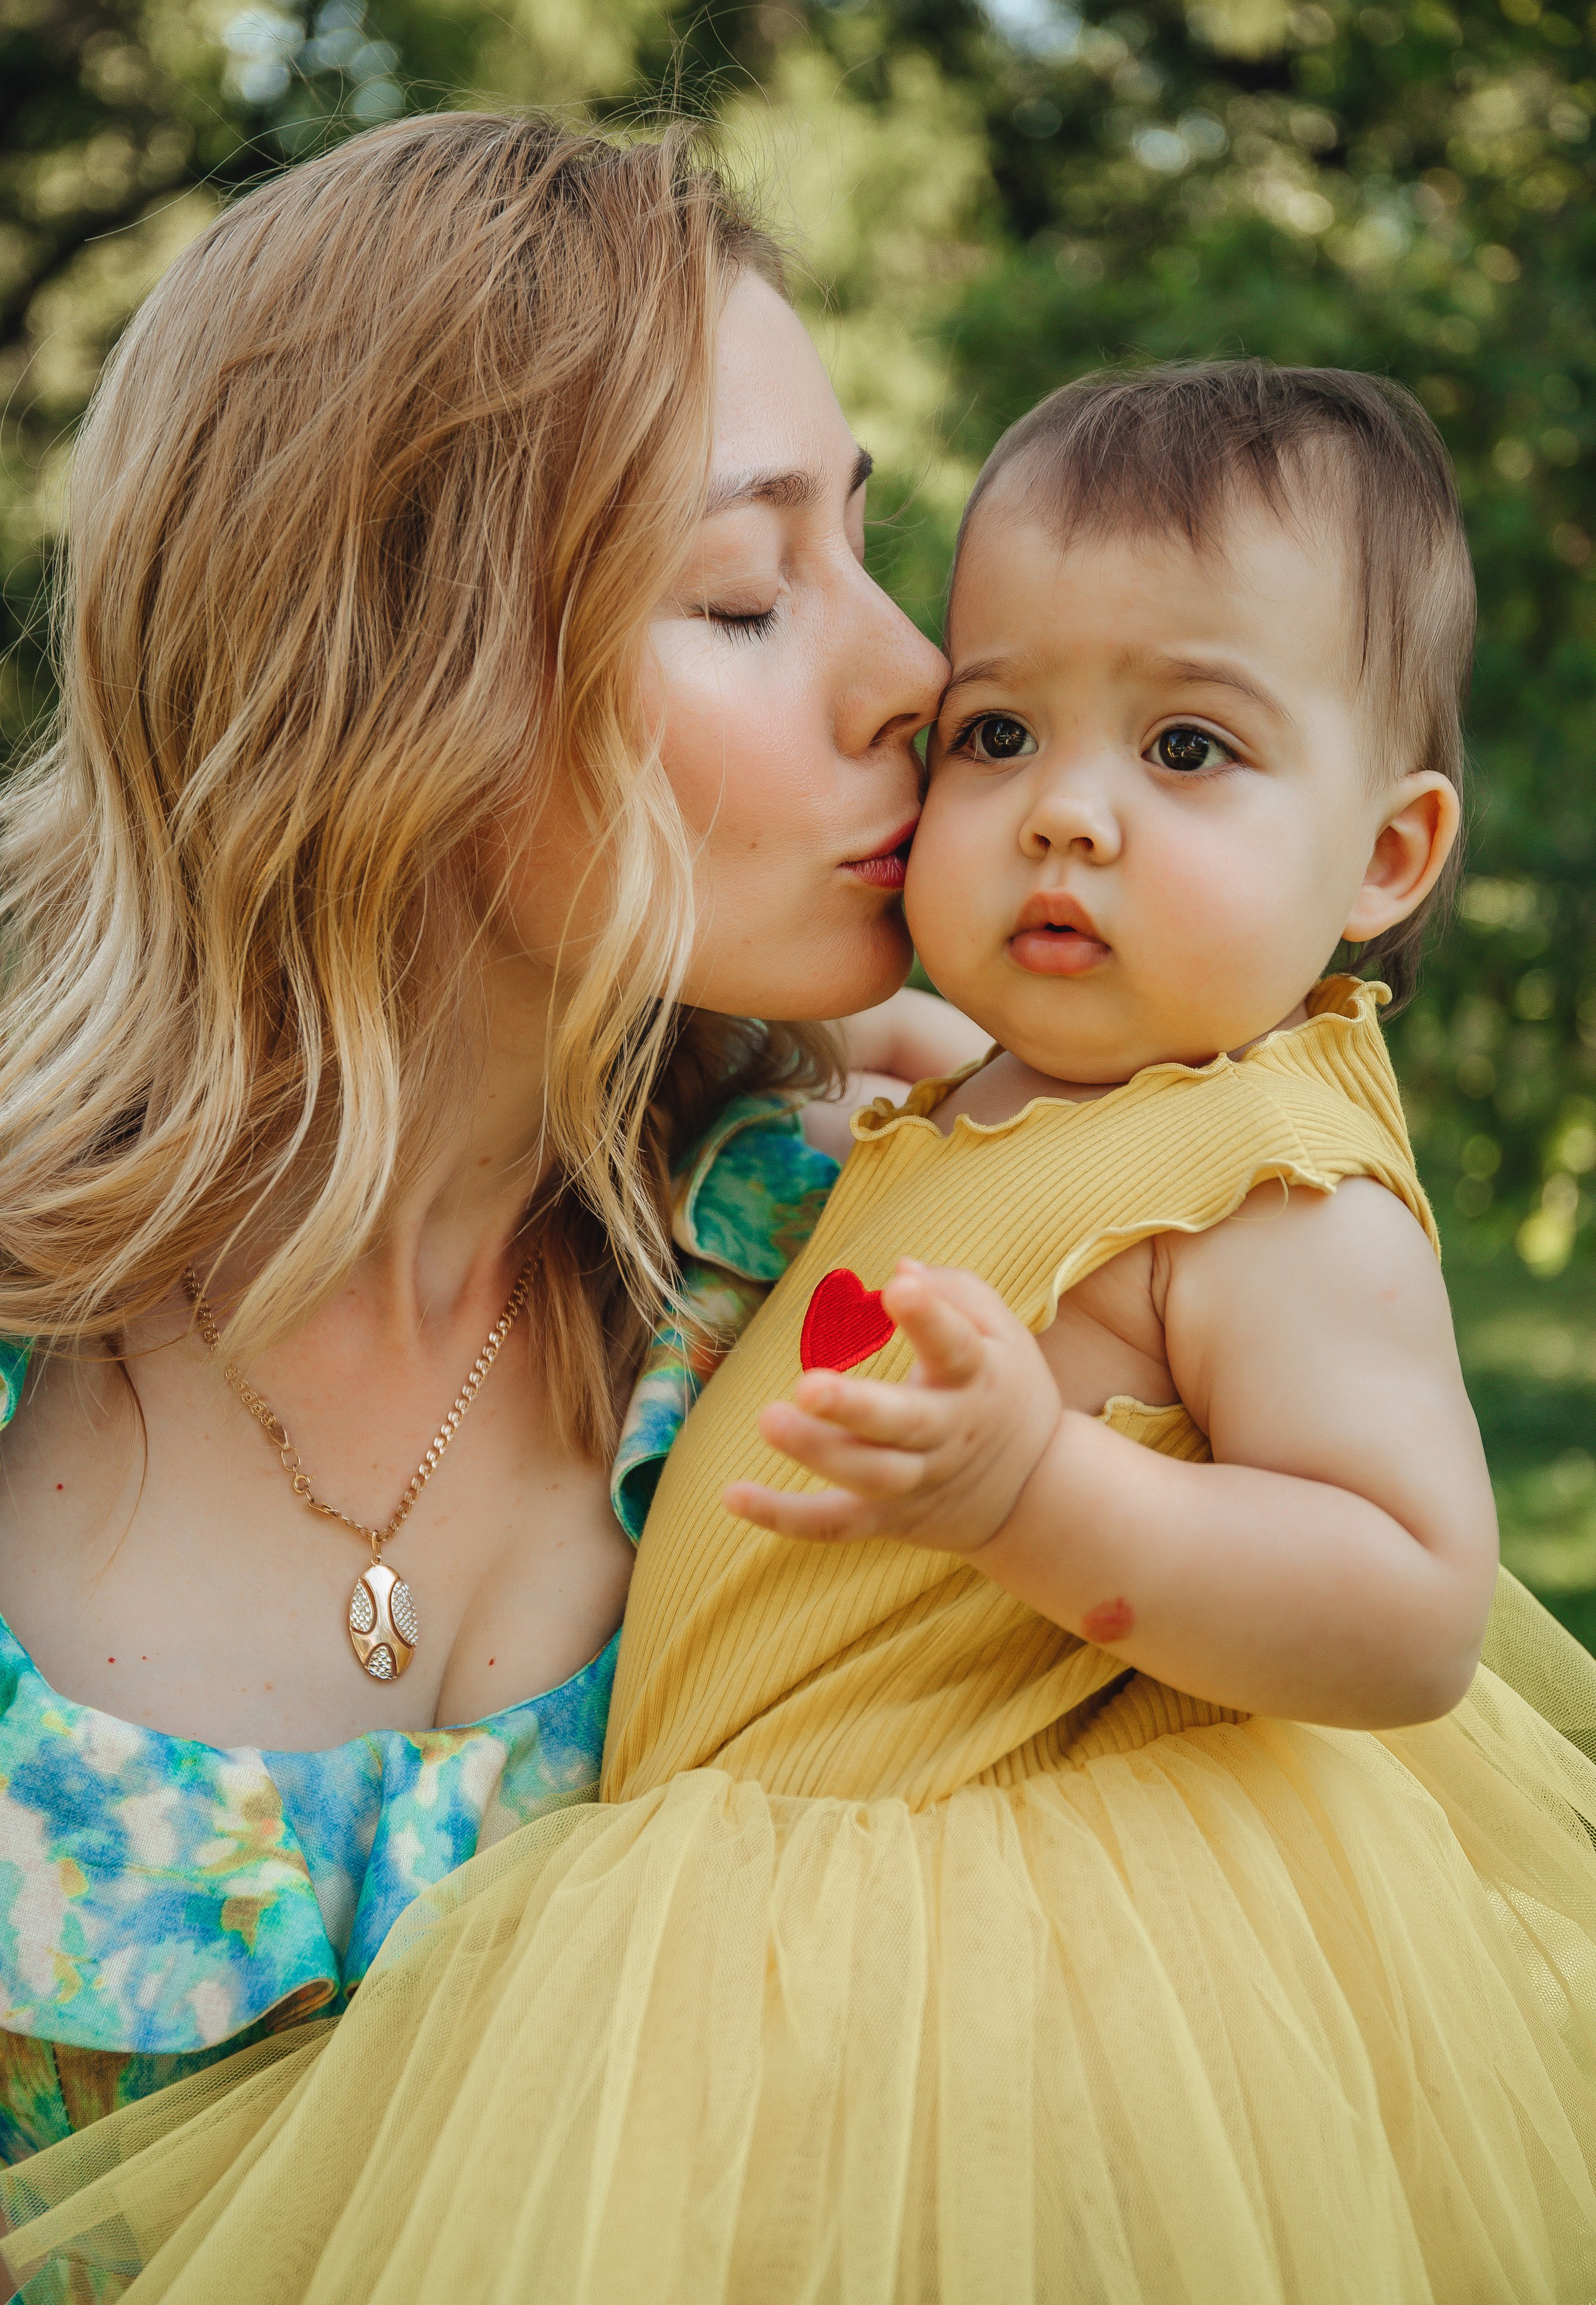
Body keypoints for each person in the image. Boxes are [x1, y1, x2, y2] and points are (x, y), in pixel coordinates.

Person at [9, 368, 1596, 2299]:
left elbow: (1414, 1604)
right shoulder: (928, 1111)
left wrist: (1040, 1494)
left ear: (1390, 858)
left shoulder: (1261, 1181)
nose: (1035, 792)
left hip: (973, 1991)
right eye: (1005, 729)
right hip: (716, 1967)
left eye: (1188, 746)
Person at [0, 107, 984, 2235]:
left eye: (865, 548)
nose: (916, 673)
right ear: (380, 680)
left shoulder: (875, 1279)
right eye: (744, 593)